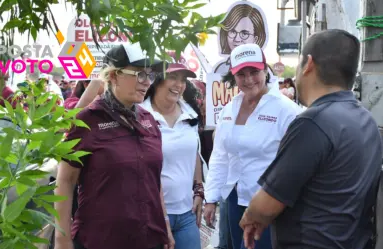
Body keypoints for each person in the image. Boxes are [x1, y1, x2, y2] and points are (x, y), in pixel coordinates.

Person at [239, 29, 383, 249]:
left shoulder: (313, 122)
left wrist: (251, 216)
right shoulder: (367, 121)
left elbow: (265, 206)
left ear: (308, 64)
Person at [54, 42, 175, 249]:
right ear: (113, 76)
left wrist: (165, 226)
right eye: (139, 74)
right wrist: (62, 240)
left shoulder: (149, 121)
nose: (146, 82)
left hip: (149, 238)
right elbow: (65, 181)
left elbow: (154, 181)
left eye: (149, 75)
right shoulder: (87, 121)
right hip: (101, 240)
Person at [203, 43, 301, 249]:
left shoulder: (287, 111)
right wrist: (211, 198)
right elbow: (220, 156)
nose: (248, 80)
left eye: (254, 72)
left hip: (267, 203)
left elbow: (295, 166)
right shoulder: (230, 109)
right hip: (233, 199)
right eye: (241, 74)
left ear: (265, 69)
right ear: (233, 76)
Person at [140, 52, 204, 249]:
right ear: (157, 80)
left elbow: (194, 154)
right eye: (173, 77)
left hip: (186, 214)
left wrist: (199, 190)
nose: (179, 84)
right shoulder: (139, 115)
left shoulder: (190, 114)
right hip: (149, 215)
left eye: (183, 80)